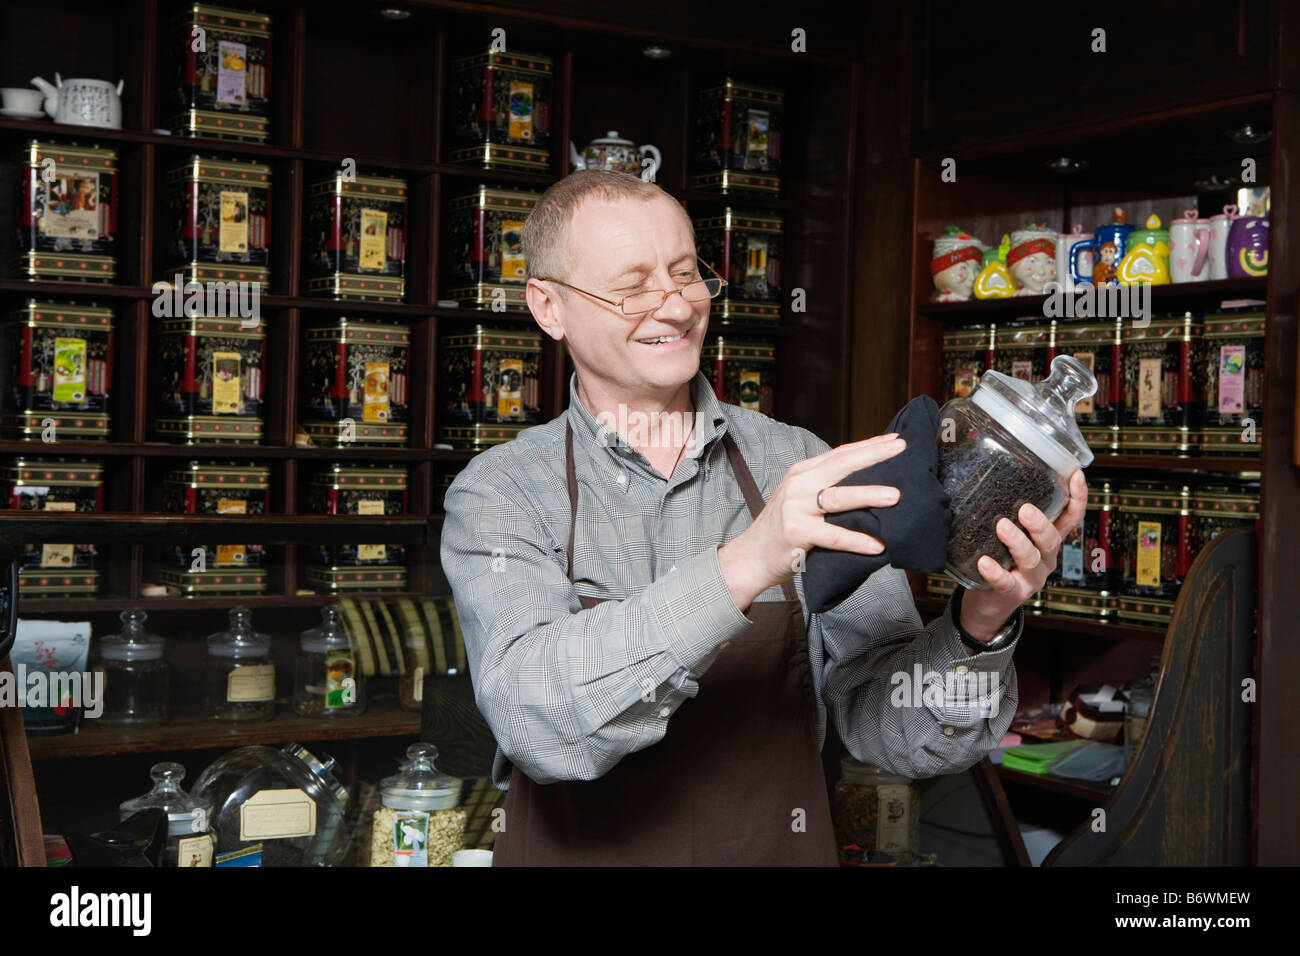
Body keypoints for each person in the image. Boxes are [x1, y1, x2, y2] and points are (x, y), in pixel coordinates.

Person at [440, 170, 1087, 866]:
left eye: (687, 273)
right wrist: (748, 562)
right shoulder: (502, 493)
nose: (676, 305)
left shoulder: (798, 460)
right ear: (549, 306)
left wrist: (978, 625)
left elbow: (888, 732)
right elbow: (540, 724)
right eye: (632, 286)